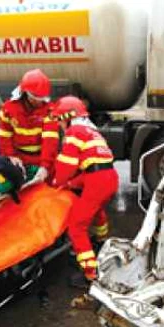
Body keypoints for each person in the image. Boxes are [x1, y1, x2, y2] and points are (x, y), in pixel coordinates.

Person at [50, 96, 118, 299]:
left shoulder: (74, 132)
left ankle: (90, 274)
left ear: (68, 116)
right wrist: (72, 185)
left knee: (76, 227)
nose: (60, 125)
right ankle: (99, 242)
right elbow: (95, 164)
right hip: (108, 177)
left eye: (60, 120)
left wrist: (57, 183)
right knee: (97, 211)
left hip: (96, 181)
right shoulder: (91, 132)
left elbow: (65, 167)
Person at [0, 69, 59, 183]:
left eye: (42, 99)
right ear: (25, 93)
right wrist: (11, 157)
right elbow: (4, 137)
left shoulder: (50, 110)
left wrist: (45, 166)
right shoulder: (9, 109)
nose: (40, 102)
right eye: (36, 99)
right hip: (19, 159)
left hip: (42, 159)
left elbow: (50, 141)